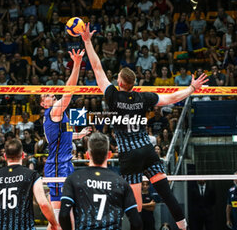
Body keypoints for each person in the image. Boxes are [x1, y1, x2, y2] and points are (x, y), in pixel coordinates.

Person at [80, 23, 208, 230]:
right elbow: (172, 98)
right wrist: (192, 88)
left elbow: (97, 68)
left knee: (136, 206)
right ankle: (184, 227)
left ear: (120, 82)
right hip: (147, 150)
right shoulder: (143, 97)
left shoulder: (112, 95)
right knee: (166, 194)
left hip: (130, 154)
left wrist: (87, 41)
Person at [40, 49, 91, 222]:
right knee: (62, 211)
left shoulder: (60, 115)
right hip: (57, 165)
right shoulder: (53, 111)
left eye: (50, 92)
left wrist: (79, 135)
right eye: (46, 95)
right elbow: (68, 93)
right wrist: (77, 64)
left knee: (64, 209)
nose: (51, 94)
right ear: (43, 104)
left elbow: (66, 135)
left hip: (65, 162)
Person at [59, 132, 142, 230]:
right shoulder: (121, 183)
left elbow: (64, 215)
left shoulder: (74, 179)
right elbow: (137, 222)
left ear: (87, 155)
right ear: (109, 155)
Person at [0, 139, 59, 230]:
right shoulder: (32, 175)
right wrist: (54, 224)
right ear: (23, 155)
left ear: (5, 156)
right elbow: (43, 204)